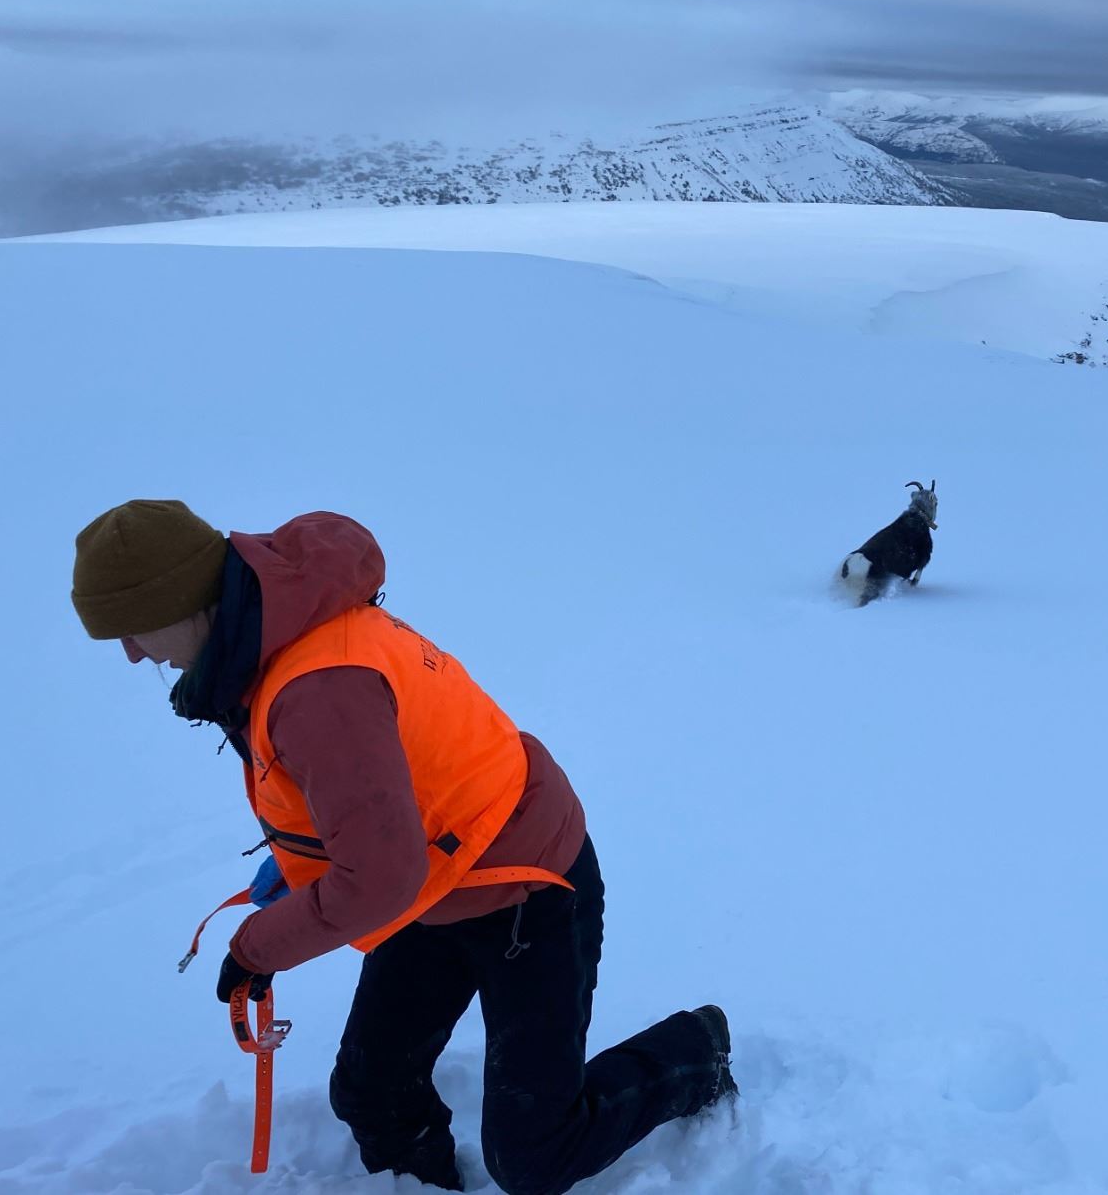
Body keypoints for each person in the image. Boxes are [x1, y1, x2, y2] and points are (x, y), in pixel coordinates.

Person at [71, 500, 734, 1194]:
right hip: (436, 883)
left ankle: (695, 1050)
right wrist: (304, 859)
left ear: (181, 601)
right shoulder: (270, 636)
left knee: (534, 1158)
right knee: (373, 1093)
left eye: (131, 628)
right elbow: (366, 791)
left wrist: (257, 948)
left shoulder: (316, 686)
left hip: (526, 887)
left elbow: (378, 878)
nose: (132, 652)